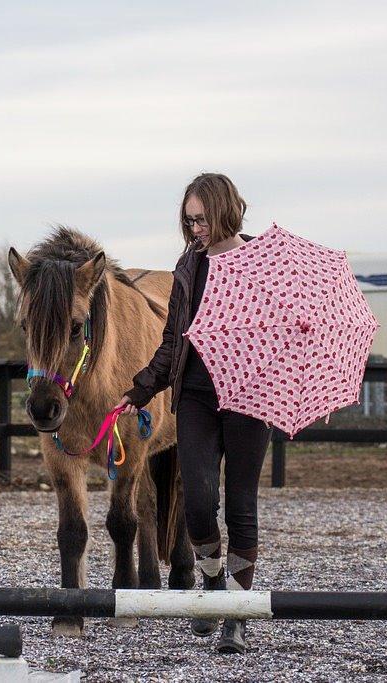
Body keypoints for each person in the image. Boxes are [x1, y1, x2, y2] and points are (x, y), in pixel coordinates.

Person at [113, 172, 273, 654]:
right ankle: (213, 582)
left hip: (248, 398)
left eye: (201, 219)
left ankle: (236, 615)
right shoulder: (189, 266)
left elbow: (284, 332)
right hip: (196, 399)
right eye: (189, 220)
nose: (195, 228)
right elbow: (172, 340)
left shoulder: (262, 264)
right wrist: (141, 389)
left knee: (241, 507)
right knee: (198, 504)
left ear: (225, 211)